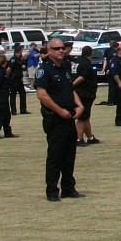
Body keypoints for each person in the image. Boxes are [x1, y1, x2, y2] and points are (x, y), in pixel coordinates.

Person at [36, 36, 83, 201]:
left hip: (69, 117)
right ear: (49, 51)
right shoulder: (45, 70)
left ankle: (68, 188)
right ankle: (52, 191)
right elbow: (41, 94)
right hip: (55, 119)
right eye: (57, 48)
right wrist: (60, 110)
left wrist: (80, 105)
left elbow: (70, 89)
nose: (61, 50)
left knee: (70, 155)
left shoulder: (64, 67)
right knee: (56, 156)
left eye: (62, 48)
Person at [71, 44, 100, 146]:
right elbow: (82, 77)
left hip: (81, 92)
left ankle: (90, 137)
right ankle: (78, 139)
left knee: (86, 116)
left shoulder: (77, 62)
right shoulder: (86, 64)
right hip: (84, 93)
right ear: (90, 54)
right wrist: (72, 85)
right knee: (82, 117)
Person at [0, 54, 17, 139]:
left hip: (3, 95)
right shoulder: (1, 72)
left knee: (6, 114)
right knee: (0, 114)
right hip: (0, 95)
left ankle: (7, 132)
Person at [8, 45, 28, 115]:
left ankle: (23, 110)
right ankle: (13, 111)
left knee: (23, 94)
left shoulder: (19, 59)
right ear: (19, 51)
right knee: (13, 95)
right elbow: (9, 69)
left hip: (19, 80)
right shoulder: (13, 59)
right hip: (14, 80)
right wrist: (8, 78)